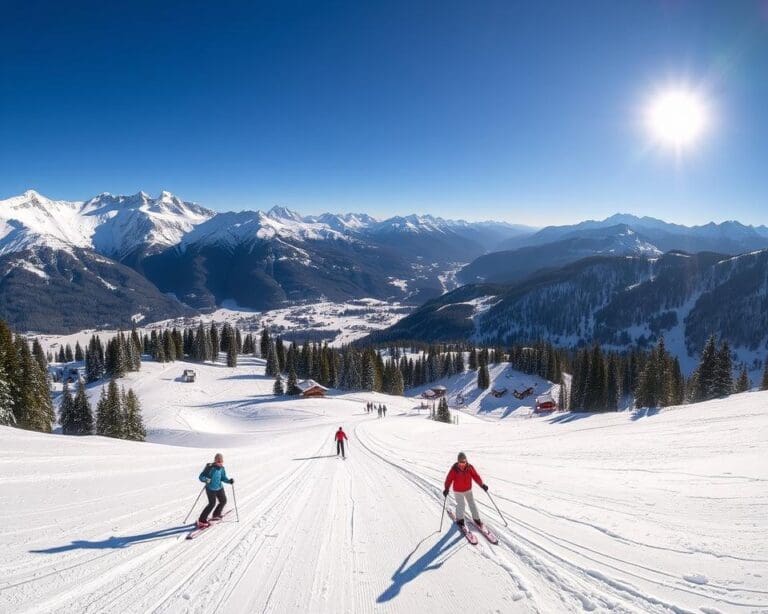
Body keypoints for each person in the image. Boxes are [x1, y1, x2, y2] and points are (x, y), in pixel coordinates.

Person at [443, 452, 488, 527]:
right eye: (460, 462)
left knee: (472, 503)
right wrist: (446, 488)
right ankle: (460, 519)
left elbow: (476, 476)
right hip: (458, 491)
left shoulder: (470, 467)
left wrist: (482, 485)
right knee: (461, 504)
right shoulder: (454, 469)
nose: (462, 464)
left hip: (468, 490)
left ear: (466, 461)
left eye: (463, 462)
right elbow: (449, 479)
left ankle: (476, 518)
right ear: (458, 462)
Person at [197, 453, 234, 528]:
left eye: (221, 461)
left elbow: (223, 477)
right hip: (210, 488)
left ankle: (216, 514)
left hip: (219, 487)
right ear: (215, 460)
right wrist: (206, 479)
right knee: (212, 504)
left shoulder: (222, 468)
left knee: (223, 501)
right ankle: (201, 520)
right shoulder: (209, 467)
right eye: (218, 461)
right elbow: (201, 477)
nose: (220, 463)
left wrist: (229, 481)